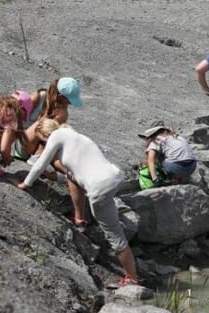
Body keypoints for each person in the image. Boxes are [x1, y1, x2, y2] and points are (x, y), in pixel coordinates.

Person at [18, 120, 139, 288]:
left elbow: (40, 164)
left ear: (45, 135)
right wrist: (56, 177)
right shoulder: (78, 137)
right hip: (114, 176)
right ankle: (80, 219)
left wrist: (25, 184)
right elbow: (75, 175)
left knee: (115, 237)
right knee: (73, 176)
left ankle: (131, 279)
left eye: (43, 142)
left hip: (99, 189)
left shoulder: (57, 135)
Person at [137, 120, 198, 189]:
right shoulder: (176, 136)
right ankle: (179, 182)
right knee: (174, 156)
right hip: (192, 166)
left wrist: (154, 178)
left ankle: (162, 179)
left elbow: (150, 160)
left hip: (176, 167)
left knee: (159, 158)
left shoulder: (156, 140)